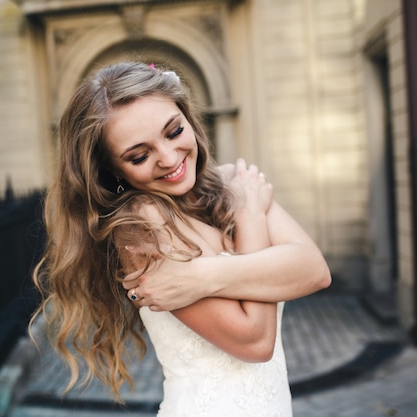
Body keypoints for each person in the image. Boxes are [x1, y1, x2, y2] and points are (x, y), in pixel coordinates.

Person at [32, 61, 331, 416]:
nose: (169, 158)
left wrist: (202, 276)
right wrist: (250, 218)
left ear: (187, 117)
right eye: (140, 156)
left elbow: (314, 270)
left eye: (174, 132)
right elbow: (255, 340)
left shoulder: (233, 182)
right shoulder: (140, 227)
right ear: (111, 171)